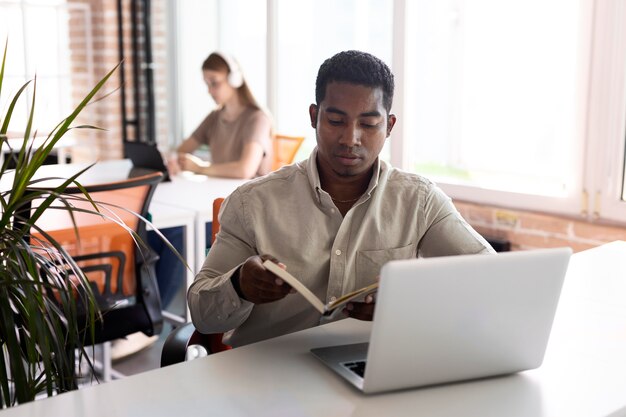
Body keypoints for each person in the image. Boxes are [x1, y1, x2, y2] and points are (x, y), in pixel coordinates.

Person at [187, 50, 495, 348]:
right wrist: (239, 285)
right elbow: (202, 315)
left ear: (388, 127)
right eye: (336, 121)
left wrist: (410, 306)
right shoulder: (251, 203)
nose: (351, 139)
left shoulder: (420, 201)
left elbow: (492, 281)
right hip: (269, 376)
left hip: (371, 372)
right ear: (314, 117)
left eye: (369, 124)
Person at [169, 51, 273, 179]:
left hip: (250, 195)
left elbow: (245, 170)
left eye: (214, 82)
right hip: (220, 191)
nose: (209, 91)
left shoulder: (258, 118)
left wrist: (199, 167)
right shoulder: (215, 117)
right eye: (207, 84)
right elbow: (182, 150)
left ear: (234, 79)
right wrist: (175, 161)